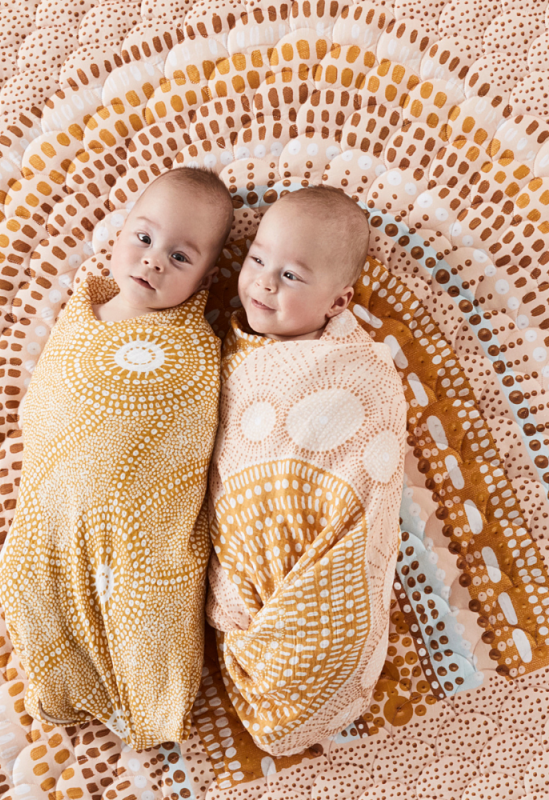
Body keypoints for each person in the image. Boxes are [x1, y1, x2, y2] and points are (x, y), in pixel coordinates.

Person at [0, 167, 234, 750]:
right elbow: (48, 402)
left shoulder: (196, 349)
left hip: (141, 530)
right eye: (144, 238)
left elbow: (197, 440)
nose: (152, 261)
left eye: (180, 258)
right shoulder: (82, 312)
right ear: (120, 232)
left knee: (150, 611)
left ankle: (147, 697)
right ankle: (63, 679)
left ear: (206, 277)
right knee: (26, 581)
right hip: (55, 506)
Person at [207, 185, 408, 756]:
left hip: (321, 566)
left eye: (292, 276)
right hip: (252, 585)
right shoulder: (230, 352)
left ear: (338, 304)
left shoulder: (357, 368)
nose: (265, 282)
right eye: (258, 260)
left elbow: (371, 462)